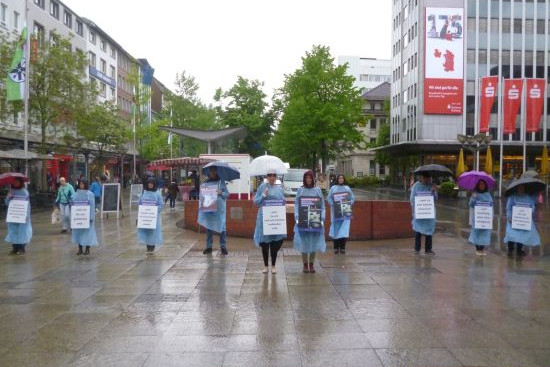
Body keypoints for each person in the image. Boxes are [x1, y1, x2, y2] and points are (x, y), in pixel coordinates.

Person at [253, 171, 286, 274]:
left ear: (276, 177)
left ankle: (273, 265)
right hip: (264, 219)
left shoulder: (279, 189)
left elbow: (282, 202)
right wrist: (263, 195)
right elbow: (255, 201)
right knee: (264, 244)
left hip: (275, 219)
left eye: (274, 175)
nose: (272, 177)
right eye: (270, 175)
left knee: (274, 243)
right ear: (266, 177)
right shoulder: (262, 187)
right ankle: (266, 266)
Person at [294, 170, 326, 273]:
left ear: (313, 179)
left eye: (310, 178)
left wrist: (322, 217)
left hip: (314, 220)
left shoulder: (317, 190)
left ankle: (311, 264)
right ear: (304, 179)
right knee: (304, 242)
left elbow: (322, 205)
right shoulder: (300, 190)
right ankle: (305, 264)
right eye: (306, 178)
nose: (308, 180)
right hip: (303, 220)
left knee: (313, 242)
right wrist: (297, 216)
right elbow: (297, 204)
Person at [198, 167, 229, 255]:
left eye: (214, 171)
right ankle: (209, 247)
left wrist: (221, 193)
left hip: (220, 211)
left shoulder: (221, 182)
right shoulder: (205, 183)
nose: (213, 172)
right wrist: (202, 190)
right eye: (211, 171)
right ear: (209, 172)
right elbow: (201, 196)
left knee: (222, 228)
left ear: (216, 172)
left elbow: (227, 194)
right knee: (209, 227)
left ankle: (223, 247)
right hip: (209, 208)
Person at [504, 184, 540, 257]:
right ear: (516, 188)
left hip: (523, 220)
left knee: (522, 235)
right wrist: (509, 217)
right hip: (513, 220)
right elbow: (508, 208)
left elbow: (532, 206)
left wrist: (529, 212)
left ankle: (519, 250)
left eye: (522, 187)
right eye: (519, 187)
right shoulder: (512, 197)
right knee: (512, 235)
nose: (521, 188)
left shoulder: (527, 197)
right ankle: (510, 249)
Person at [410, 173, 437, 255]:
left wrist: (434, 191)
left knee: (429, 230)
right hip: (419, 212)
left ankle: (428, 249)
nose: (427, 179)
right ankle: (417, 249)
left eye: (428, 178)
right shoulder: (416, 186)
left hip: (429, 212)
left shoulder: (431, 186)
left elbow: (435, 199)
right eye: (425, 177)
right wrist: (415, 209)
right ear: (421, 177)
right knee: (418, 230)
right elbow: (412, 199)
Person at [328, 174, 355, 254]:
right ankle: (336, 248)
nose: (341, 179)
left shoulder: (347, 188)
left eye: (342, 178)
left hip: (345, 212)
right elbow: (329, 198)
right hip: (336, 212)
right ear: (337, 179)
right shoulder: (333, 188)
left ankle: (342, 248)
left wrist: (349, 204)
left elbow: (352, 198)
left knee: (344, 230)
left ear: (344, 179)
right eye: (339, 178)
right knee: (336, 229)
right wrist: (333, 204)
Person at [4, 177, 32, 255]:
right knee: (13, 231)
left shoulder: (24, 192)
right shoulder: (11, 191)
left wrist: (27, 215)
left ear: (20, 182)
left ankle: (21, 248)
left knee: (22, 232)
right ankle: (14, 248)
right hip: (13, 215)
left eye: (17, 182)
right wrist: (9, 197)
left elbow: (28, 204)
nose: (15, 183)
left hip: (22, 215)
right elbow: (6, 203)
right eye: (14, 182)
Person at [71, 180, 98, 255]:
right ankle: (80, 249)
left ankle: (87, 249)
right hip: (79, 218)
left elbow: (92, 206)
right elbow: (72, 203)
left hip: (87, 217)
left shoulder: (90, 194)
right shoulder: (75, 194)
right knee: (78, 233)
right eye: (80, 184)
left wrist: (91, 216)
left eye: (82, 184)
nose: (81, 185)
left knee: (88, 233)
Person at [137, 178, 164, 254]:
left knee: (153, 232)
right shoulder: (144, 192)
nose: (150, 185)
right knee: (146, 232)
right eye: (149, 183)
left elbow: (161, 204)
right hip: (145, 216)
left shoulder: (158, 193)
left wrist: (155, 210)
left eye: (151, 183)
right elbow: (140, 202)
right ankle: (148, 246)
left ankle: (152, 247)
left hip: (154, 217)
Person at [468, 180, 492, 256]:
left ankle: (482, 249)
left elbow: (491, 205)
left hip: (485, 217)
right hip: (477, 217)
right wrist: (473, 198)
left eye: (483, 184)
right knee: (477, 233)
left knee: (484, 233)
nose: (482, 185)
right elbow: (471, 204)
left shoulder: (488, 194)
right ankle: (478, 249)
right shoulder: (475, 194)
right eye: (480, 184)